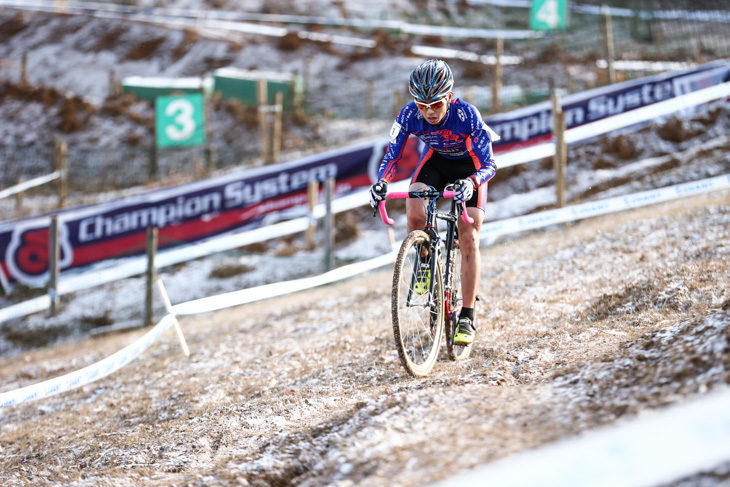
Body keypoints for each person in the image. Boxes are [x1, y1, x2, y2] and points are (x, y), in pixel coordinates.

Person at [369, 58, 499, 346]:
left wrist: (470, 183)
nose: (428, 112)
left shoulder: (467, 115)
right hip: (437, 163)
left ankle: (467, 313)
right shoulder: (408, 115)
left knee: (470, 234)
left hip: (471, 169)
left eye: (436, 104)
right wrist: (381, 183)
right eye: (422, 105)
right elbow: (393, 155)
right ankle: (425, 262)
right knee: (415, 210)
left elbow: (490, 164)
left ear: (449, 98)